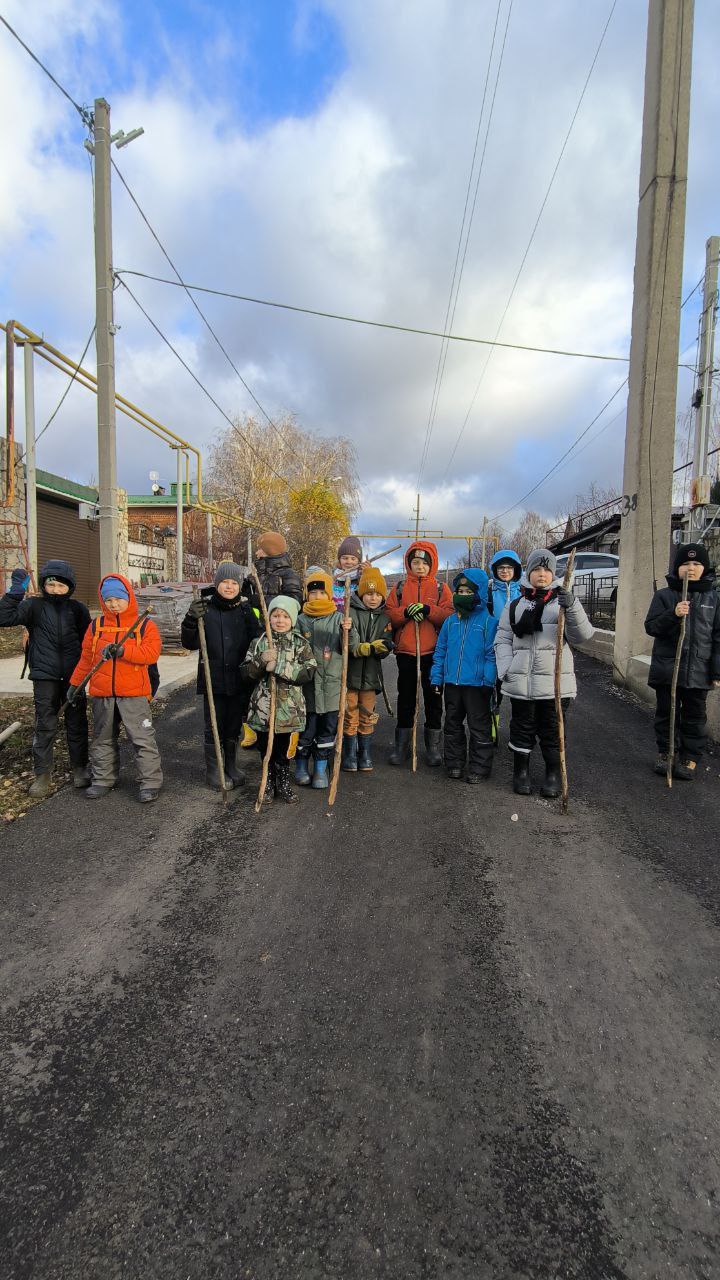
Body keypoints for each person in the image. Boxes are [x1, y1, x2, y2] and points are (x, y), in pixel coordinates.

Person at [494, 548, 593, 797]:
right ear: (529, 572)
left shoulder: (564, 600)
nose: (542, 574)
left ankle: (552, 774)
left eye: (547, 569)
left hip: (554, 683)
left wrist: (571, 608)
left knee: (552, 729)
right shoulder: (516, 603)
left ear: (554, 573)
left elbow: (582, 636)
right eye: (537, 569)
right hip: (522, 683)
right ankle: (521, 772)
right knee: (522, 727)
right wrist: (507, 668)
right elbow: (503, 638)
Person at [67, 574, 163, 803]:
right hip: (103, 694)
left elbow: (151, 654)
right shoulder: (97, 626)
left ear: (128, 597)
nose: (113, 604)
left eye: (118, 599)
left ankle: (149, 782)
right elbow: (86, 659)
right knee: (102, 738)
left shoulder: (144, 625)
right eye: (108, 600)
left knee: (142, 738)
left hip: (134, 695)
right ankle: (103, 779)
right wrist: (75, 684)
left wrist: (124, 652)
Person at [0, 560, 91, 797]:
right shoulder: (34, 606)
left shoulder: (78, 609)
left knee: (77, 722)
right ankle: (42, 774)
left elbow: (88, 641)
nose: (56, 590)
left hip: (74, 675)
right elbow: (4, 618)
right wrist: (15, 592)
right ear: (44, 585)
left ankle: (80, 768)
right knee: (45, 723)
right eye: (51, 585)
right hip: (44, 675)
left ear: (70, 587)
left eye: (62, 586)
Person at [180, 561, 259, 791]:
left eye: (234, 583)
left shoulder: (245, 611)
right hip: (212, 677)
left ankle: (231, 766)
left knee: (233, 725)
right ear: (216, 584)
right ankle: (214, 770)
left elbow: (257, 639)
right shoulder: (205, 609)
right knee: (213, 725)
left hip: (238, 678)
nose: (229, 586)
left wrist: (257, 612)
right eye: (225, 582)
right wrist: (190, 620)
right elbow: (190, 642)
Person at [645, 542, 720, 779]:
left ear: (705, 568)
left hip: (699, 670)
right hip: (668, 669)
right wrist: (673, 614)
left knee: (694, 716)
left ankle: (690, 757)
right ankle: (666, 752)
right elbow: (652, 627)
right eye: (685, 564)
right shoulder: (664, 596)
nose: (690, 568)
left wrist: (716, 671)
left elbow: (717, 637)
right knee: (667, 714)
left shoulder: (713, 598)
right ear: (677, 567)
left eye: (696, 564)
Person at [241, 595, 316, 803]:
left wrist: (280, 667)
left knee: (282, 750)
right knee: (265, 749)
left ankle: (283, 783)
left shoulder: (301, 644)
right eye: (275, 615)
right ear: (269, 618)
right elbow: (245, 674)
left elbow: (308, 672)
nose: (280, 620)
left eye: (284, 616)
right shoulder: (259, 643)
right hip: (263, 707)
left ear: (292, 619)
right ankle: (267, 783)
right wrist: (260, 661)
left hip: (288, 709)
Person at [385, 540, 453, 767]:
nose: (420, 566)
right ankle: (402, 746)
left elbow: (448, 616)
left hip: (432, 654)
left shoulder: (442, 588)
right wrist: (405, 612)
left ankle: (433, 748)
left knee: (433, 700)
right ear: (408, 564)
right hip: (406, 652)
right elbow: (389, 615)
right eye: (415, 562)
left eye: (424, 563)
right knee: (406, 699)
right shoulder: (400, 588)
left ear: (431, 564)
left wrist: (428, 610)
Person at [430, 570, 498, 782]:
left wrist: (488, 680)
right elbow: (440, 651)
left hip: (477, 685)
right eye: (460, 590)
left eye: (469, 591)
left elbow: (491, 655)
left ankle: (479, 767)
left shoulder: (489, 622)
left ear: (479, 594)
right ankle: (455, 763)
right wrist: (436, 677)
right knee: (452, 724)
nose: (463, 594)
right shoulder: (451, 622)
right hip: (452, 684)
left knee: (479, 727)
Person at [296, 569, 358, 788]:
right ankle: (301, 766)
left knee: (327, 731)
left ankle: (321, 769)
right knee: (305, 730)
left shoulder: (340, 619)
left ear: (330, 594)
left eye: (322, 593)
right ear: (307, 594)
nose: (317, 597)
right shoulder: (300, 620)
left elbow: (351, 648)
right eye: (313, 593)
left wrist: (347, 632)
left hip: (331, 689)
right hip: (307, 690)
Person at [342, 566, 394, 772]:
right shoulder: (349, 613)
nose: (373, 598)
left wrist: (382, 648)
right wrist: (372, 647)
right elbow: (352, 647)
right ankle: (349, 755)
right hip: (350, 676)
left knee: (367, 715)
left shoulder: (385, 618)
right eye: (369, 594)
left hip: (372, 677)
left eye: (377, 594)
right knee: (349, 714)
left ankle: (365, 754)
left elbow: (385, 647)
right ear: (361, 593)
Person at [241, 531, 302, 611]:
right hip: (253, 622)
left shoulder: (289, 575)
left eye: (260, 549)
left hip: (277, 623)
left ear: (270, 551)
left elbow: (293, 603)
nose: (256, 553)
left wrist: (260, 601)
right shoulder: (254, 576)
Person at [332, 536, 369, 611]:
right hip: (334, 619)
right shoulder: (332, 578)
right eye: (345, 558)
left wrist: (368, 574)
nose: (349, 562)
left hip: (355, 620)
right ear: (339, 560)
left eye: (353, 558)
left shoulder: (362, 578)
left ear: (358, 561)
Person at [488, 549, 522, 617]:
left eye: (509, 567)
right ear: (495, 570)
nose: (505, 571)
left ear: (515, 570)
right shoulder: (488, 592)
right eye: (501, 567)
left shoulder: (524, 592)